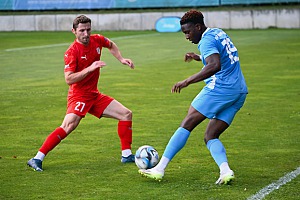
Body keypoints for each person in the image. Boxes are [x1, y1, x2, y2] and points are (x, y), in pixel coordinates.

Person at [139, 10, 248, 185]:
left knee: (187, 122)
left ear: (198, 27)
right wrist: (198, 57)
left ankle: (159, 169)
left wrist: (187, 81)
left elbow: (214, 65)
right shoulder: (217, 32)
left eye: (188, 32)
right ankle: (226, 171)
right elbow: (222, 56)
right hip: (239, 91)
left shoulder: (206, 40)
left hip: (221, 89)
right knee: (210, 135)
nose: (187, 37)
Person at [27, 15, 135, 171]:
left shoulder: (97, 40)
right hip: (79, 96)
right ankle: (37, 158)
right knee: (68, 126)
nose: (86, 34)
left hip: (94, 95)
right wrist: (90, 68)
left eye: (88, 30)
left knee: (126, 114)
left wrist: (121, 59)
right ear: (74, 31)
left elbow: (111, 44)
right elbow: (69, 79)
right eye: (82, 30)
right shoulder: (71, 52)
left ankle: (126, 155)